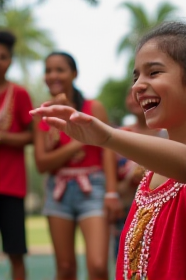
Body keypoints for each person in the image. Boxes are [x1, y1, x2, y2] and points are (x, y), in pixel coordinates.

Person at [30, 21, 186, 280]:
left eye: (154, 72)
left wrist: (107, 137)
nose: (137, 86)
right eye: (136, 76)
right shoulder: (152, 173)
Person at [33, 52, 122, 280]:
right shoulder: (41, 114)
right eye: (48, 70)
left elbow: (107, 152)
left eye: (59, 70)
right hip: (58, 191)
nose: (52, 75)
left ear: (74, 74)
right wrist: (77, 143)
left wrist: (111, 193)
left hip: (93, 188)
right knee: (65, 268)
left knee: (99, 266)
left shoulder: (94, 108)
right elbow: (42, 164)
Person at [114, 89, 167, 259]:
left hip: (161, 214)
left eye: (141, 93)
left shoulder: (168, 134)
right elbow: (109, 185)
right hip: (126, 213)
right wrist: (130, 180)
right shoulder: (116, 136)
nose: (135, 98)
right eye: (130, 94)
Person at [0, 30, 33, 280]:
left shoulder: (19, 94)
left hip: (11, 187)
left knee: (15, 253)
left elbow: (33, 136)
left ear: (10, 60)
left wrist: (4, 137)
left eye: (3, 56)